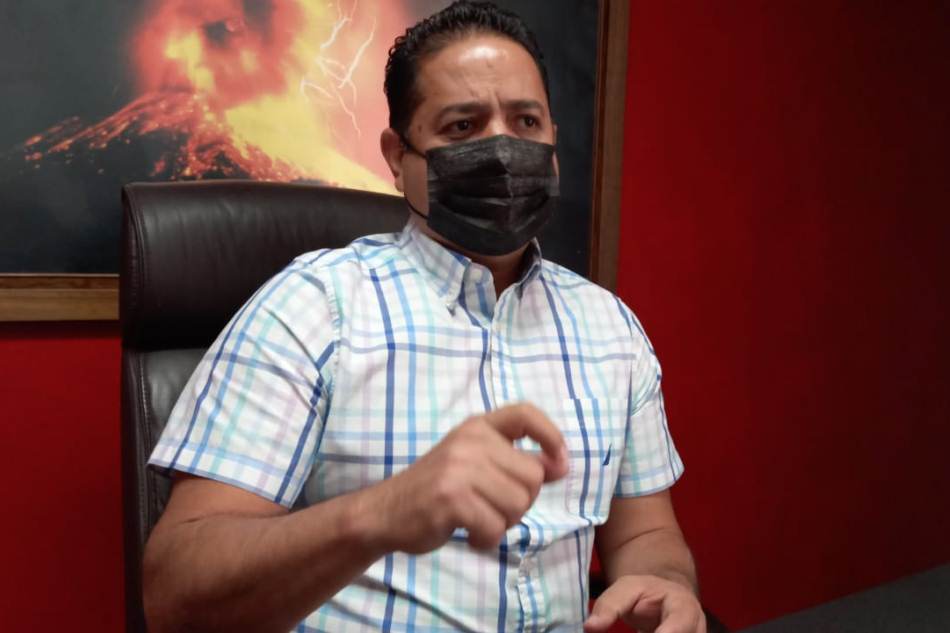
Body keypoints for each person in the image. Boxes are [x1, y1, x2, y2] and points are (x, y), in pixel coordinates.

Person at [143, 2, 705, 632]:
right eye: (463, 126)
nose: (502, 149)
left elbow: (646, 535)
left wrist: (667, 584)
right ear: (396, 156)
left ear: (553, 142)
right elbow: (176, 592)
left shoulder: (611, 329)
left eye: (526, 121)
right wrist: (382, 513)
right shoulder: (313, 309)